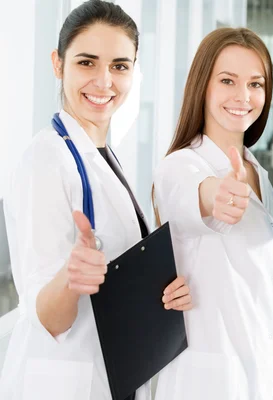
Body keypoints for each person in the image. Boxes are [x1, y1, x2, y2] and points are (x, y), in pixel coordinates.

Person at [0, 2, 191, 399]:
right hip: (62, 382)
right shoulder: (45, 160)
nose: (104, 82)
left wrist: (167, 290)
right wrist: (71, 280)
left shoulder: (101, 152)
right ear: (58, 64)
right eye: (87, 63)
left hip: (110, 375)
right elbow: (47, 318)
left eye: (119, 66)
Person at [152, 27, 273, 400]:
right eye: (227, 80)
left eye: (256, 84)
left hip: (257, 376)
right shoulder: (180, 166)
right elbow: (192, 196)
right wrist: (215, 195)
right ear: (203, 86)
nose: (243, 97)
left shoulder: (258, 173)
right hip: (206, 383)